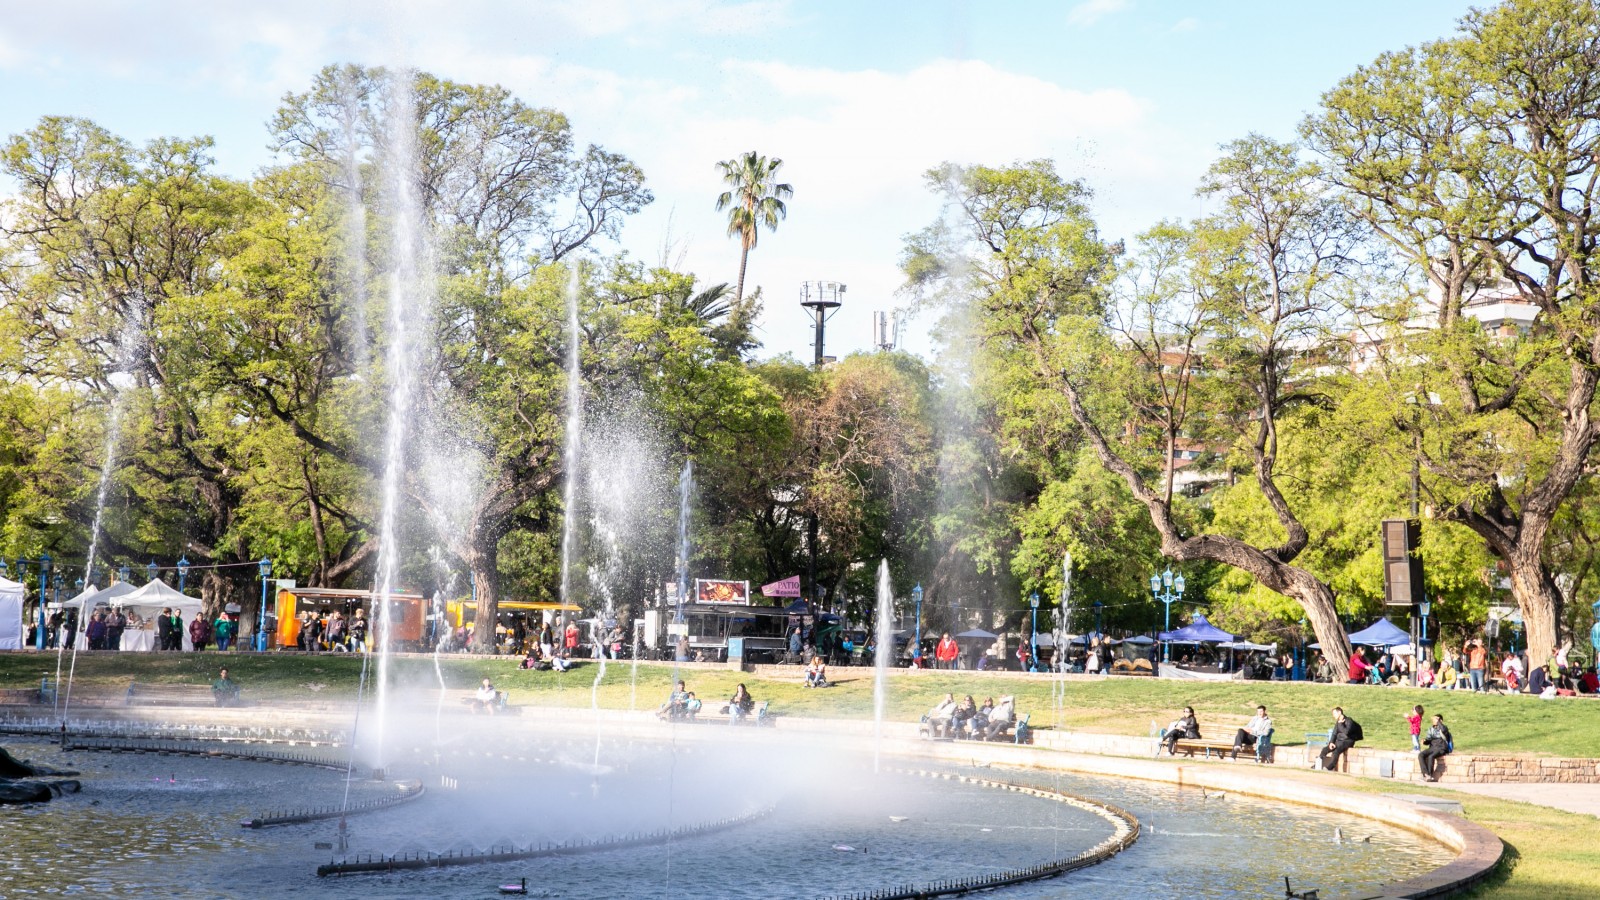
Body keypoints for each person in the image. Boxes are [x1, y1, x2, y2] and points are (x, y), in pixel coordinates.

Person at [1320, 707, 1363, 772]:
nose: (1333, 715)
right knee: (1325, 749)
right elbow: (1334, 733)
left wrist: (1341, 724)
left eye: (1334, 713)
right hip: (1339, 741)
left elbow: (1346, 732)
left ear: (1339, 712)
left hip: (1348, 741)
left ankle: (1329, 768)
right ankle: (1317, 764)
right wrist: (1331, 742)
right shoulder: (1338, 722)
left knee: (1336, 751)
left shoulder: (1349, 720)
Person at [1418, 713, 1453, 782]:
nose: (1434, 720)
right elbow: (1429, 740)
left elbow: (1443, 730)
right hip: (1433, 747)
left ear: (1441, 720)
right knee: (1421, 755)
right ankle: (1426, 774)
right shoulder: (1431, 729)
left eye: (1436, 719)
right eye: (1434, 719)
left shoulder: (1444, 728)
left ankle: (1430, 776)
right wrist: (1425, 741)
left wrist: (1439, 721)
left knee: (1431, 756)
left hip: (1442, 747)